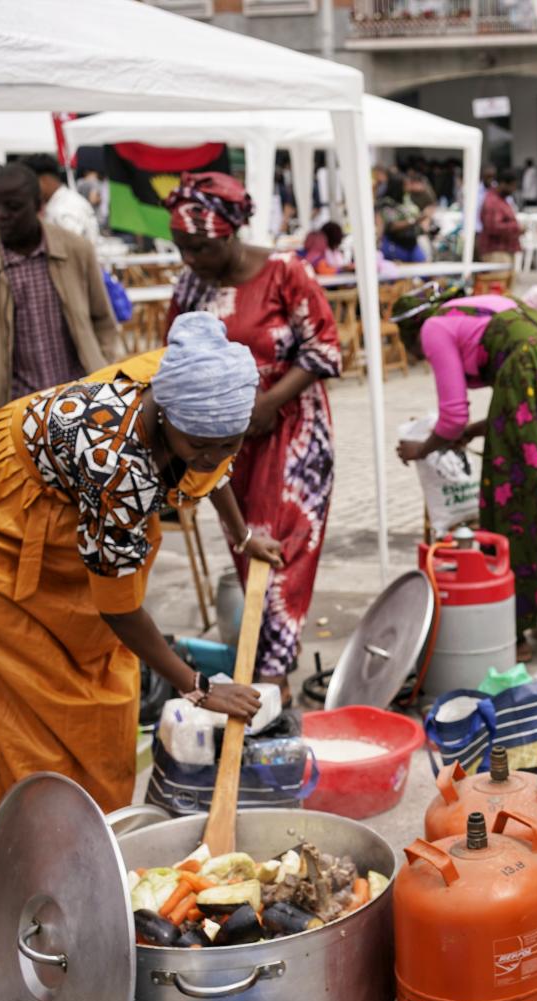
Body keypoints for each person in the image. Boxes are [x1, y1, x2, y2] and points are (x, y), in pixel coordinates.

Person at [0, 313, 284, 814]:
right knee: (33, 692)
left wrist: (243, 538)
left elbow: (211, 469)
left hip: (59, 509)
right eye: (199, 444)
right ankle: (39, 834)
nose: (212, 456)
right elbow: (118, 610)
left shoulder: (196, 374)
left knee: (101, 680)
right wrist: (198, 686)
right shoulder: (119, 467)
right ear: (168, 416)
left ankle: (92, 818)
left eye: (230, 442)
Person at [164, 173, 340, 707]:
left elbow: (326, 348)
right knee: (248, 549)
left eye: (200, 247)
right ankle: (266, 666)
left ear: (231, 233)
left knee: (282, 551)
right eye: (182, 248)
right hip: (224, 442)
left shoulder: (286, 272)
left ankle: (274, 675)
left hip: (291, 434)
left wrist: (268, 403)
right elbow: (173, 357)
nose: (190, 258)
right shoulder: (190, 288)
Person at [393, 285, 537, 654]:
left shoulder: (433, 327)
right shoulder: (479, 306)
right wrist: (473, 432)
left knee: (518, 502)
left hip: (533, 371)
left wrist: (420, 449)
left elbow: (453, 416)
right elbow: (523, 397)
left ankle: (517, 627)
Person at [0, 163, 120, 408]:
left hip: (78, 392)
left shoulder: (76, 250)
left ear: (37, 205)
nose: (1, 215)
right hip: (14, 399)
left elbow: (102, 318)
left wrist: (103, 367)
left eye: (13, 207)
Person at [26, 153, 100, 244]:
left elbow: (74, 249)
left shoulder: (64, 209)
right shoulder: (65, 200)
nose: (27, 189)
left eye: (28, 183)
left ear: (43, 180)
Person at [378, 174, 427, 264]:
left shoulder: (406, 200)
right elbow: (391, 226)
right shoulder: (387, 204)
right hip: (395, 244)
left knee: (425, 269)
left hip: (411, 243)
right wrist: (414, 221)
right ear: (398, 186)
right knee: (401, 274)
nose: (409, 188)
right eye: (406, 185)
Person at [479, 167, 522, 264]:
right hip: (496, 251)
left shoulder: (502, 199)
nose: (514, 189)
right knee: (498, 279)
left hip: (504, 249)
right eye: (512, 186)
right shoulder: (493, 201)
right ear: (503, 184)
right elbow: (492, 226)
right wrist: (516, 227)